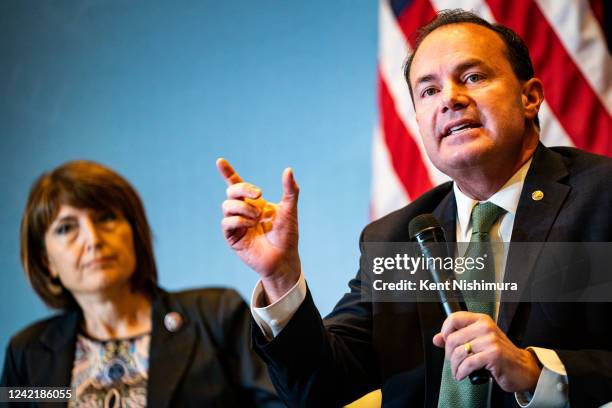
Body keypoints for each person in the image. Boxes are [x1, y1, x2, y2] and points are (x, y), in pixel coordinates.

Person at [217, 9, 612, 408]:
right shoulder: (395, 238)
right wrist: (281, 276)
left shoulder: (600, 198)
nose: (451, 100)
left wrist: (536, 371)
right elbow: (319, 389)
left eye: (473, 77)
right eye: (428, 91)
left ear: (529, 97)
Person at [1, 160, 284, 407]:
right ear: (47, 261)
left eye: (106, 218)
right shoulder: (27, 353)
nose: (93, 239)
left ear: (134, 233)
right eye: (66, 228)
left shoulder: (216, 315)